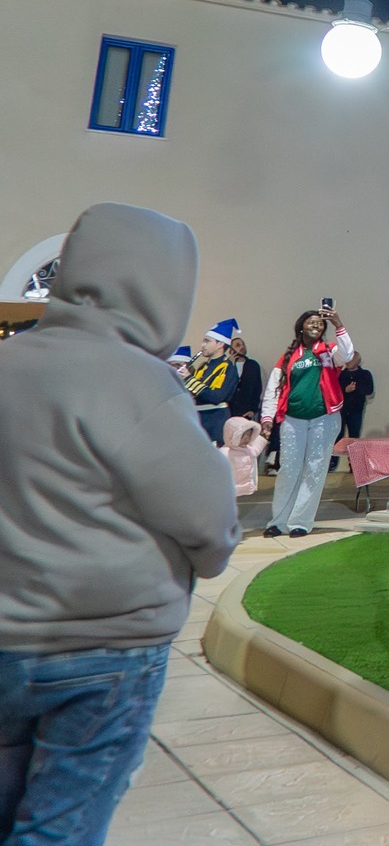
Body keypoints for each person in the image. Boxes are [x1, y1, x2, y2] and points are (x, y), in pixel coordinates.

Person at [0, 204, 240, 844]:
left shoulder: (10, 363)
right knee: (61, 825)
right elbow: (207, 519)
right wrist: (207, 560)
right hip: (104, 646)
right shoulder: (140, 382)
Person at [264, 308, 355, 538]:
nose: (316, 326)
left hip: (324, 418)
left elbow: (347, 355)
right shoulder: (288, 357)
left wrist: (338, 324)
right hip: (293, 420)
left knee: (314, 469)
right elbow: (274, 389)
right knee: (288, 470)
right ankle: (279, 521)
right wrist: (267, 418)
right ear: (301, 326)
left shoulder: (327, 351)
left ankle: (300, 522)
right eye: (311, 322)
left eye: (320, 323)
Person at [183, 318, 241, 446]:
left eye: (207, 341)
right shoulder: (203, 367)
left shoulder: (227, 368)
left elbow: (216, 397)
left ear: (220, 344)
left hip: (214, 424)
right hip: (198, 422)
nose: (203, 345)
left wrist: (188, 379)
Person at [337, 352, 374, 441]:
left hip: (356, 409)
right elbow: (334, 390)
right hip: (341, 409)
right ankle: (334, 455)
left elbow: (369, 390)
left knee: (354, 436)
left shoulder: (365, 374)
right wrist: (345, 390)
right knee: (338, 435)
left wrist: (356, 388)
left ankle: (353, 455)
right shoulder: (341, 374)